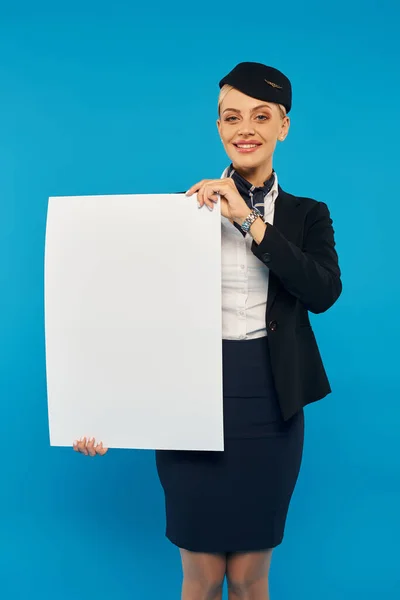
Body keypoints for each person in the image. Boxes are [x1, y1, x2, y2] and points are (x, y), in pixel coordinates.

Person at [73, 62, 342, 599]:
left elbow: (322, 292)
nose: (245, 128)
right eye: (231, 116)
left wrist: (247, 220)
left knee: (248, 577)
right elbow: (133, 321)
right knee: (201, 576)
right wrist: (99, 413)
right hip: (190, 400)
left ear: (283, 126)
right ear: (218, 127)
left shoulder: (309, 215)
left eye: (260, 116)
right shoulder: (180, 215)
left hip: (272, 403)